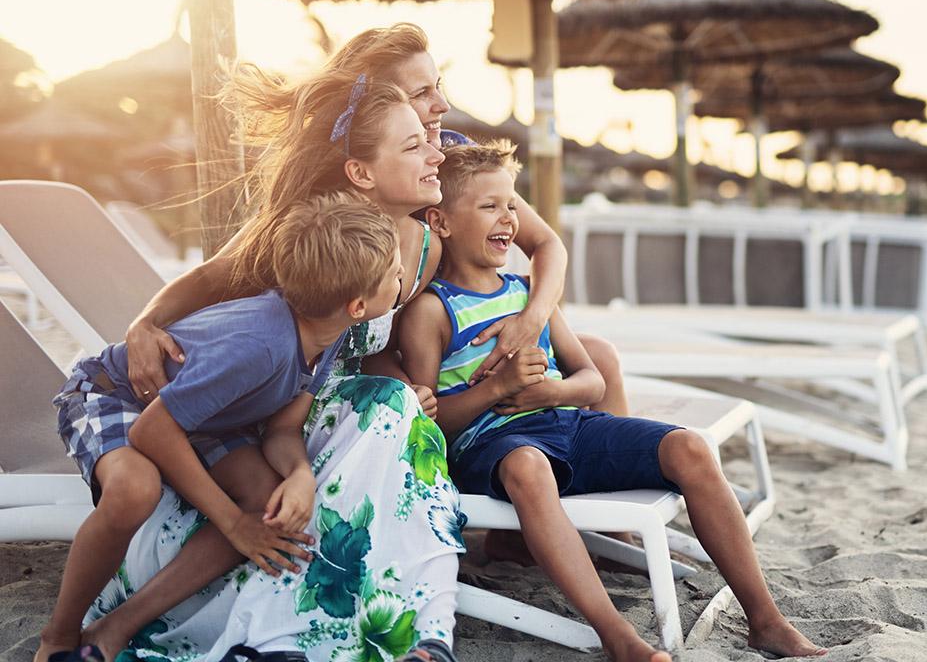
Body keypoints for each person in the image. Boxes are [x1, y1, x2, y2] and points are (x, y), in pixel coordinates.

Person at [76, 73, 466, 662]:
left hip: (272, 405)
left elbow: (356, 353)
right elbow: (209, 285)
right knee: (380, 422)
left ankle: (419, 624)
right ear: (360, 172)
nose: (438, 147)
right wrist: (143, 326)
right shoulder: (313, 241)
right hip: (204, 399)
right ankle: (288, 629)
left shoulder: (412, 248)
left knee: (390, 415)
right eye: (414, 143)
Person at [399, 140, 827, 662]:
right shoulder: (432, 312)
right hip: (495, 447)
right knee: (530, 468)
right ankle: (616, 633)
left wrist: (550, 391)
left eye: (512, 204)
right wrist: (496, 390)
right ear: (440, 222)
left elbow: (591, 382)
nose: (508, 218)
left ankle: (766, 619)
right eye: (489, 206)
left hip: (570, 425)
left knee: (690, 449)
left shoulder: (529, 293)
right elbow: (431, 427)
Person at [37, 190, 402, 662]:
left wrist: (300, 476)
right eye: (394, 272)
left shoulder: (330, 333)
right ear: (356, 305)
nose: (400, 276)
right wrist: (232, 525)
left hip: (204, 415)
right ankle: (59, 635)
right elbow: (153, 429)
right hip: (117, 393)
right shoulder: (261, 344)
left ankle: (117, 626)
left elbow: (282, 430)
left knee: (265, 511)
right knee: (135, 489)